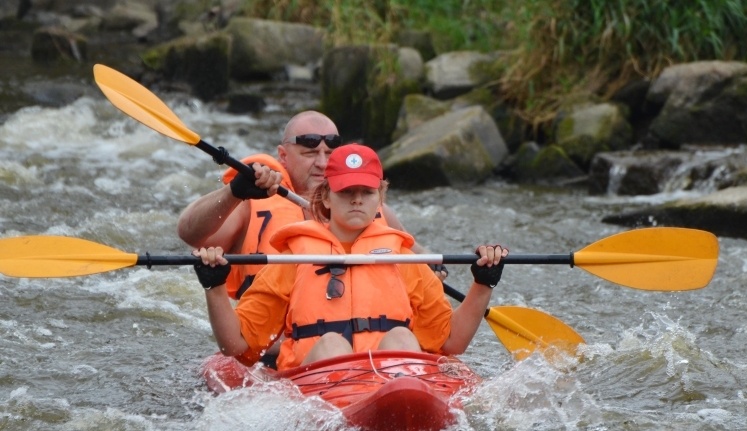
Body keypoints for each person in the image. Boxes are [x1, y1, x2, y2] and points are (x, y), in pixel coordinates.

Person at [192, 144, 508, 370]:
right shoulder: (295, 257)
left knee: (400, 337)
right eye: (346, 192)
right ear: (326, 197)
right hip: (319, 384)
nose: (357, 201)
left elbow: (451, 343)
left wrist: (483, 284)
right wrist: (215, 287)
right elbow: (236, 345)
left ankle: (403, 397)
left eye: (366, 192)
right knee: (331, 343)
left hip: (393, 383)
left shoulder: (400, 257)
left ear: (379, 198)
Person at [177, 110, 445, 301]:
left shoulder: (374, 211)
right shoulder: (251, 204)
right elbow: (191, 234)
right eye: (309, 153)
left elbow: (426, 265)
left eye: (330, 154)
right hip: (273, 348)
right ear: (283, 156)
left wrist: (439, 271)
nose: (322, 163)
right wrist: (233, 193)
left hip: (358, 342)